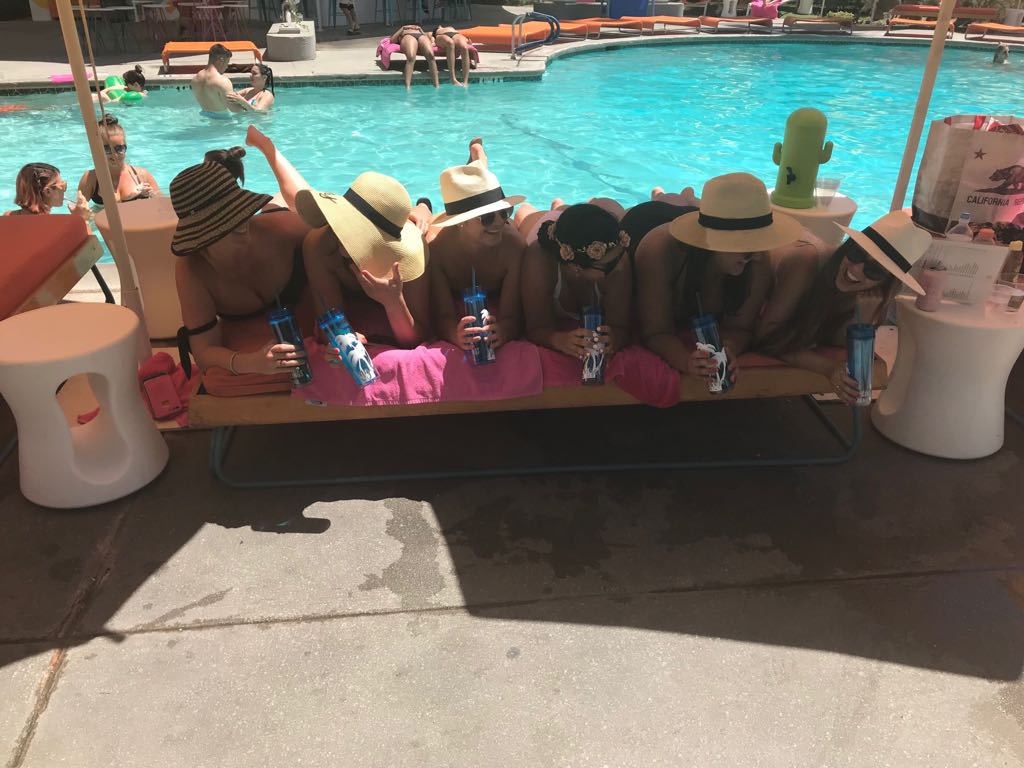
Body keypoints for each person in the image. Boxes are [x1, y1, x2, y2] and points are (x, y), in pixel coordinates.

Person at [634, 172, 813, 386]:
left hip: (700, 221)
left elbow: (742, 328)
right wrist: (686, 362)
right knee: (620, 205)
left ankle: (688, 198)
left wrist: (729, 348)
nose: (758, 256)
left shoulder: (756, 259)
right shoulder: (658, 250)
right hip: (647, 219)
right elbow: (656, 331)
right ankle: (665, 195)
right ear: (719, 242)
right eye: (750, 248)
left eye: (761, 245)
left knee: (682, 202)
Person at [172, 126, 314, 377]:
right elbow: (203, 352)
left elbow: (336, 230)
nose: (240, 225)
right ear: (200, 235)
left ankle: (266, 146)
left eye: (241, 212)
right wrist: (252, 363)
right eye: (225, 222)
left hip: (278, 215)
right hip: (269, 223)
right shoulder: (193, 270)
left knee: (303, 200)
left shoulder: (281, 230)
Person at [755, 211, 929, 404]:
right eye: (856, 253)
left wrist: (863, 323)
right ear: (847, 246)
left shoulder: (870, 300)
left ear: (884, 283)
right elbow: (766, 336)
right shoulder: (806, 262)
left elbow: (839, 349)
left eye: (874, 270)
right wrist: (828, 369)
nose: (857, 268)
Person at [297, 173, 431, 350]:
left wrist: (393, 302)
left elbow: (415, 338)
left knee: (424, 220)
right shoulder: (320, 245)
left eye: (357, 232)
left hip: (409, 228)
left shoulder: (410, 255)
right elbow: (330, 322)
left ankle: (423, 205)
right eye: (345, 224)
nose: (344, 237)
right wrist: (343, 338)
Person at [428, 138, 526, 352]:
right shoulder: (437, 250)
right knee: (425, 220)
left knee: (525, 215)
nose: (499, 222)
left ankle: (478, 165)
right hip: (444, 228)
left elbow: (513, 317)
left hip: (475, 227)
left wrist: (504, 331)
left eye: (505, 212)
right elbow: (441, 315)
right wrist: (454, 335)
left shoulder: (513, 248)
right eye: (487, 217)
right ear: (460, 221)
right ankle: (476, 164)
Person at [522, 203, 631, 362]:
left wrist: (614, 338)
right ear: (575, 267)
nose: (618, 267)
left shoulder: (618, 261)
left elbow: (621, 327)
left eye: (619, 256)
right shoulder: (539, 261)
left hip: (577, 227)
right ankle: (556, 205)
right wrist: (558, 340)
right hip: (540, 225)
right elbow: (536, 328)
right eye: (608, 265)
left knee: (610, 204)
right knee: (524, 212)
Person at [77, 115, 160, 206]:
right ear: (99, 150)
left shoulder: (141, 175)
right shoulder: (91, 178)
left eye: (119, 148)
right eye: (107, 149)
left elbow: (162, 205)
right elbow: (78, 211)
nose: (114, 154)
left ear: (125, 147)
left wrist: (152, 194)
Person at [6, 163, 89, 219]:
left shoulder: (7, 217)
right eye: (62, 185)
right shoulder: (55, 224)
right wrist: (81, 219)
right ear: (48, 191)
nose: (64, 191)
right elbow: (90, 241)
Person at [191, 43, 238, 117]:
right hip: (223, 121)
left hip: (204, 117)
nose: (227, 67)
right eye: (227, 63)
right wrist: (245, 104)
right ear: (221, 60)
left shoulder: (195, 79)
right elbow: (235, 109)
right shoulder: (222, 81)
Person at [390, 24, 439, 90]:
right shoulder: (403, 30)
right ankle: (407, 88)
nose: (412, 26)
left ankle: (436, 86)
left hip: (421, 36)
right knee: (411, 57)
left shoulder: (419, 29)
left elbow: (428, 38)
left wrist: (420, 30)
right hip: (408, 36)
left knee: (431, 56)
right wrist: (402, 28)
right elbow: (392, 40)